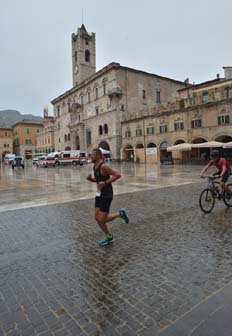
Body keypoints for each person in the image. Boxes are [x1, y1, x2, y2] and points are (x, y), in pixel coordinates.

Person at [87, 148, 129, 246]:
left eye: (92, 155)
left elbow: (117, 175)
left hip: (107, 194)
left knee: (101, 219)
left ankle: (119, 217)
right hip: (99, 194)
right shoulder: (95, 167)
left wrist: (106, 183)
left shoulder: (103, 166)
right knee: (97, 218)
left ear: (97, 156)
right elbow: (98, 180)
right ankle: (110, 234)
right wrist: (91, 179)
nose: (90, 156)